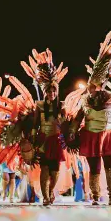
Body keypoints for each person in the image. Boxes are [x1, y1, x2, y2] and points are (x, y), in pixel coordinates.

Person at [66, 24, 111, 205]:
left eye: (93, 86)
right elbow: (77, 119)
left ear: (100, 86)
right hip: (90, 136)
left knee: (110, 167)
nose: (90, 88)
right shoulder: (85, 101)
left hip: (109, 136)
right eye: (89, 85)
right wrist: (72, 131)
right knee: (95, 168)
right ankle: (96, 196)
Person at [21, 49, 68, 206]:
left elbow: (66, 123)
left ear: (56, 91)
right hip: (43, 140)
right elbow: (35, 123)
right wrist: (33, 138)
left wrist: (65, 124)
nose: (51, 93)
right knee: (44, 169)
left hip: (57, 141)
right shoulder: (39, 105)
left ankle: (50, 192)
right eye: (49, 91)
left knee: (55, 172)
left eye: (53, 90)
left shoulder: (61, 105)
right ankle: (46, 198)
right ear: (45, 92)